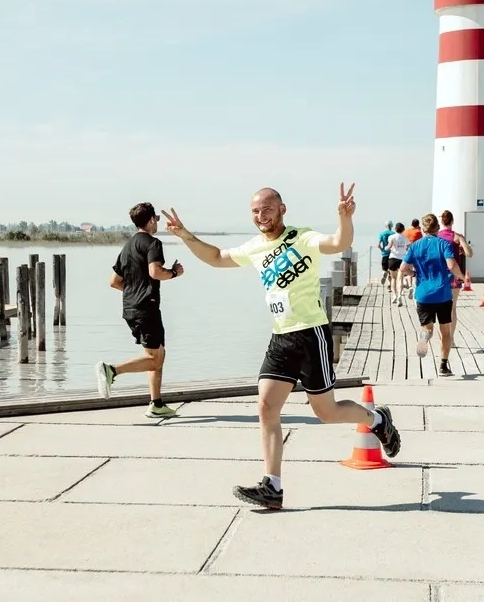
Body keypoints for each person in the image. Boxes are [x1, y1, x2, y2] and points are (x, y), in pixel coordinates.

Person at [162, 184, 401, 509]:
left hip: (310, 333)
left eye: (267, 209)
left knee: (325, 412)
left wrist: (344, 218)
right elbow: (216, 258)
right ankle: (272, 486)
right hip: (280, 337)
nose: (261, 216)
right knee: (266, 407)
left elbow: (339, 242)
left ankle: (377, 421)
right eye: (256, 212)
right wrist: (184, 235)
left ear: (282, 209)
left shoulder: (301, 238)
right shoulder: (255, 247)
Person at [97, 202, 184, 418]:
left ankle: (156, 403)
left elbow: (114, 281)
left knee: (157, 353)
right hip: (147, 308)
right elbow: (155, 272)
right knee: (155, 359)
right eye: (157, 219)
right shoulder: (153, 243)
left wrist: (134, 292)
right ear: (152, 219)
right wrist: (174, 272)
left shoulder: (127, 246)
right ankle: (112, 370)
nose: (158, 223)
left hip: (131, 308)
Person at [400, 213, 464, 377]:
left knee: (428, 328)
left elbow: (403, 268)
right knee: (446, 333)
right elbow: (451, 265)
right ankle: (443, 365)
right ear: (437, 228)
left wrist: (415, 274)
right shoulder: (443, 244)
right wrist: (461, 276)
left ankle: (425, 336)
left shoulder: (415, 246)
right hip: (443, 294)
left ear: (423, 229)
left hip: (423, 294)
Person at [437, 209, 473, 325]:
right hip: (454, 274)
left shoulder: (436, 237)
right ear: (452, 221)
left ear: (442, 222)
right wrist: (464, 244)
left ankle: (443, 336)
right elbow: (469, 254)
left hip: (439, 275)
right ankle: (451, 339)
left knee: (441, 307)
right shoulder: (457, 237)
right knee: (452, 308)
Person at [386, 222, 411, 304]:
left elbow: (389, 246)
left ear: (395, 229)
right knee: (400, 279)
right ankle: (400, 295)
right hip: (402, 260)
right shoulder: (405, 238)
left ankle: (394, 295)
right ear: (403, 229)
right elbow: (409, 247)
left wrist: (386, 248)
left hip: (393, 259)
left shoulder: (391, 237)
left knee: (393, 278)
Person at [377, 220, 395, 290]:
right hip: (392, 255)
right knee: (391, 271)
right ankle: (389, 286)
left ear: (385, 226)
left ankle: (384, 272)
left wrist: (382, 250)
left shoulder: (382, 234)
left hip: (384, 254)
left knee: (385, 269)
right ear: (392, 226)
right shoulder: (393, 234)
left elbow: (378, 245)